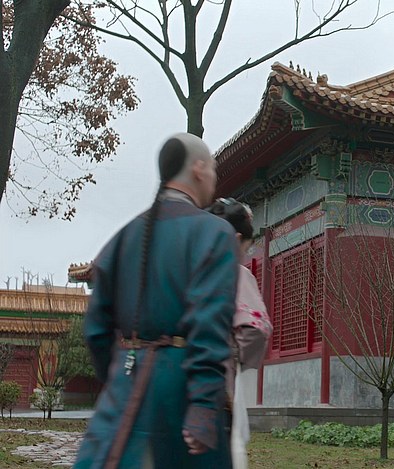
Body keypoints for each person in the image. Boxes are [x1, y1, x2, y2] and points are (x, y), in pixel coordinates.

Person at [74, 133, 239, 469]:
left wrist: (119, 374)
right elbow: (209, 322)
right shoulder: (215, 233)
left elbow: (96, 330)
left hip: (125, 390)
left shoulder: (123, 236)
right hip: (181, 391)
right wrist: (204, 403)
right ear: (198, 169)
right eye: (213, 168)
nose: (214, 177)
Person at [207, 198, 272, 469]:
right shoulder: (237, 275)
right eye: (246, 247)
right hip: (218, 387)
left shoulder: (187, 271)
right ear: (235, 239)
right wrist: (234, 357)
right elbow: (256, 329)